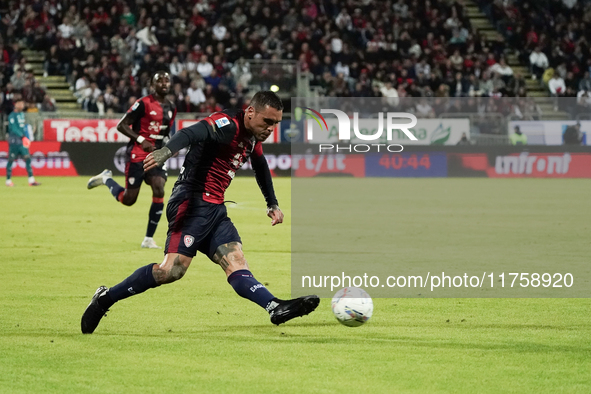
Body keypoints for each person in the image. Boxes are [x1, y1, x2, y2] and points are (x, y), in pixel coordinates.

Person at [81, 91, 319, 333]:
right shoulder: (226, 124)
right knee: (171, 271)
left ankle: (274, 306)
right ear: (250, 112)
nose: (270, 128)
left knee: (235, 260)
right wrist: (166, 152)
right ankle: (104, 299)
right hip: (191, 202)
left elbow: (260, 165)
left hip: (215, 208)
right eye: (267, 122)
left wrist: (272, 203)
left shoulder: (253, 136)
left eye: (275, 124)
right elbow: (190, 133)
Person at [86, 71, 176, 249]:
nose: (165, 83)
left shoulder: (172, 107)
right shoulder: (143, 104)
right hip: (137, 154)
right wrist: (141, 140)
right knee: (129, 199)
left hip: (155, 156)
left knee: (159, 187)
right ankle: (106, 179)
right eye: (160, 80)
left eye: (167, 80)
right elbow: (122, 125)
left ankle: (148, 239)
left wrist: (168, 148)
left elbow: (166, 133)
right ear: (152, 84)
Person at [5, 99, 40, 187]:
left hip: (22, 141)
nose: (21, 105)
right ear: (15, 104)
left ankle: (31, 180)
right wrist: (23, 136)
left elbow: (23, 127)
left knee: (27, 159)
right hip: (14, 141)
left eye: (22, 104)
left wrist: (27, 137)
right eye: (19, 104)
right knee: (11, 160)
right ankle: (8, 181)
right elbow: (13, 128)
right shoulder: (12, 116)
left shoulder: (22, 114)